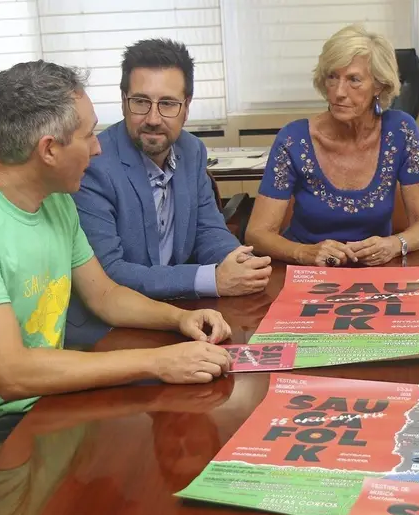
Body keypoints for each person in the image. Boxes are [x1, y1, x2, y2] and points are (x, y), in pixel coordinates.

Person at [0, 60, 234, 515]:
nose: (99, 149)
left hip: (42, 409)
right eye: (89, 135)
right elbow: (12, 374)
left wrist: (179, 319)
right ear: (49, 149)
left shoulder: (57, 203)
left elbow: (106, 295)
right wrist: (158, 359)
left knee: (137, 477)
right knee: (71, 512)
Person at [68, 39, 271, 347]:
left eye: (167, 103)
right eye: (140, 102)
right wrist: (212, 280)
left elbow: (208, 230)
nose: (152, 118)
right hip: (111, 330)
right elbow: (109, 273)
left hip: (180, 314)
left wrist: (236, 261)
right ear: (124, 101)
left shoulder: (192, 150)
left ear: (186, 107)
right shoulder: (94, 164)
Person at [246, 25, 419, 267]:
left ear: (378, 85)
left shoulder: (401, 131)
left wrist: (394, 244)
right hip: (308, 272)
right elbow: (257, 234)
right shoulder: (293, 139)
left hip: (377, 271)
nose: (339, 92)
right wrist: (304, 252)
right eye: (332, 77)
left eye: (354, 80)